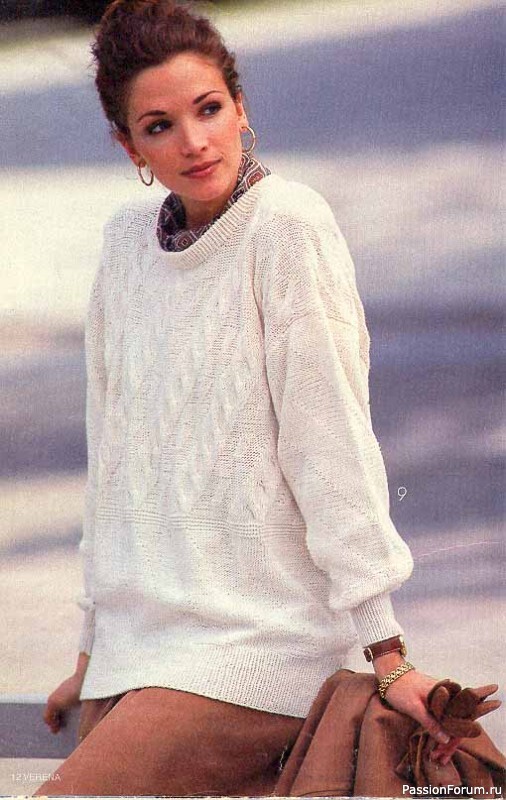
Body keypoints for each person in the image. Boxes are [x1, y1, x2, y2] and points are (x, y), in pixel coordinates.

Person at [34, 0, 463, 795]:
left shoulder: (287, 227)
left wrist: (386, 651)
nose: (194, 142)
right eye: (160, 126)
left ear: (240, 106)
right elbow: (113, 462)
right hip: (142, 655)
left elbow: (331, 445)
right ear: (129, 147)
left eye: (208, 109)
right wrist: (94, 652)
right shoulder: (126, 245)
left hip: (262, 650)